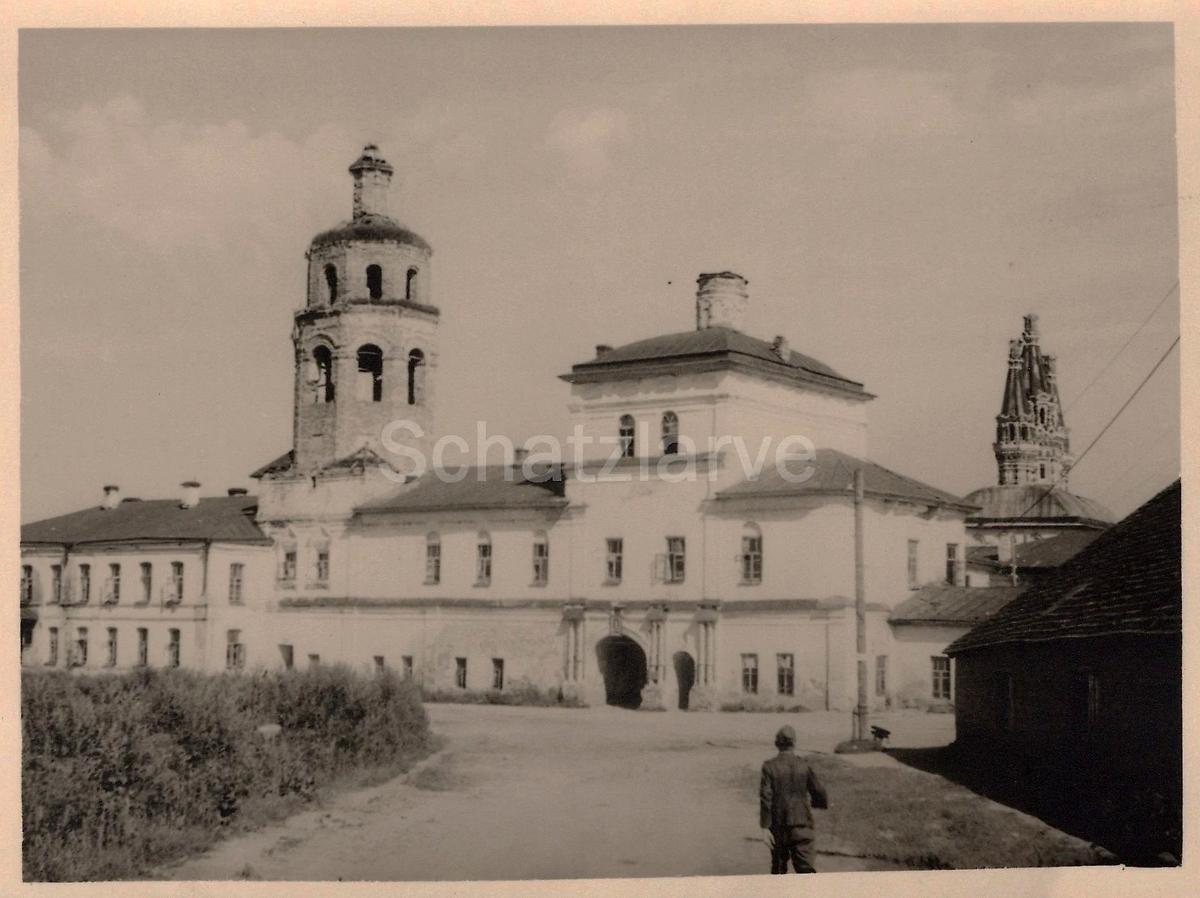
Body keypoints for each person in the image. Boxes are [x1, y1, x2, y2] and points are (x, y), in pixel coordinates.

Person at [759, 724, 828, 874]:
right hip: (802, 825)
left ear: (777, 744)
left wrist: (765, 826)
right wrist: (818, 804)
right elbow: (819, 790)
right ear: (794, 743)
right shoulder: (804, 765)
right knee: (806, 871)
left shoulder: (769, 767)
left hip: (779, 826)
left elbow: (766, 797)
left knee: (778, 870)